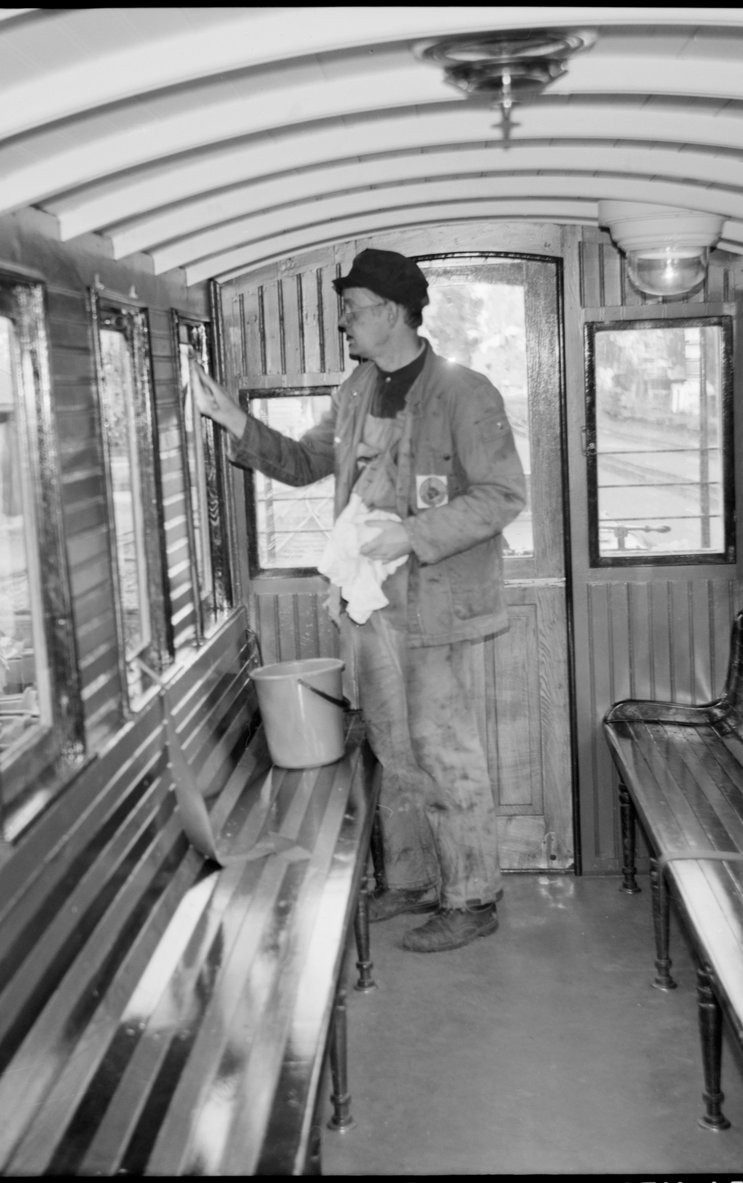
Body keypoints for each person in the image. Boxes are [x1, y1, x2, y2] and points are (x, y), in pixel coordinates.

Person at [192, 248, 526, 953]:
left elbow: (502, 495)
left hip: (437, 605)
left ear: (392, 312)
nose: (343, 321)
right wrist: (234, 421)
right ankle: (411, 880)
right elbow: (303, 462)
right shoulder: (357, 391)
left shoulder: (465, 393)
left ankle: (472, 896)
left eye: (352, 309)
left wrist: (411, 533)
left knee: (443, 749)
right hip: (372, 605)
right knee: (391, 744)